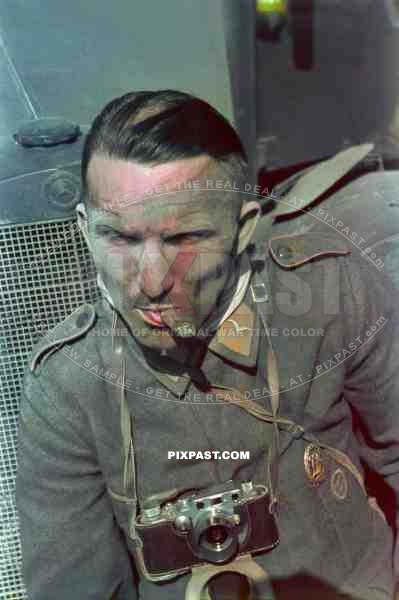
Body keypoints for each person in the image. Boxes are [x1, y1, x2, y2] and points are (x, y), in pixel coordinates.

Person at [16, 89, 399, 600]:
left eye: (184, 239)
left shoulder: (331, 297)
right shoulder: (68, 385)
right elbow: (75, 588)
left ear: (242, 229)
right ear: (84, 230)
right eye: (120, 238)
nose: (150, 282)